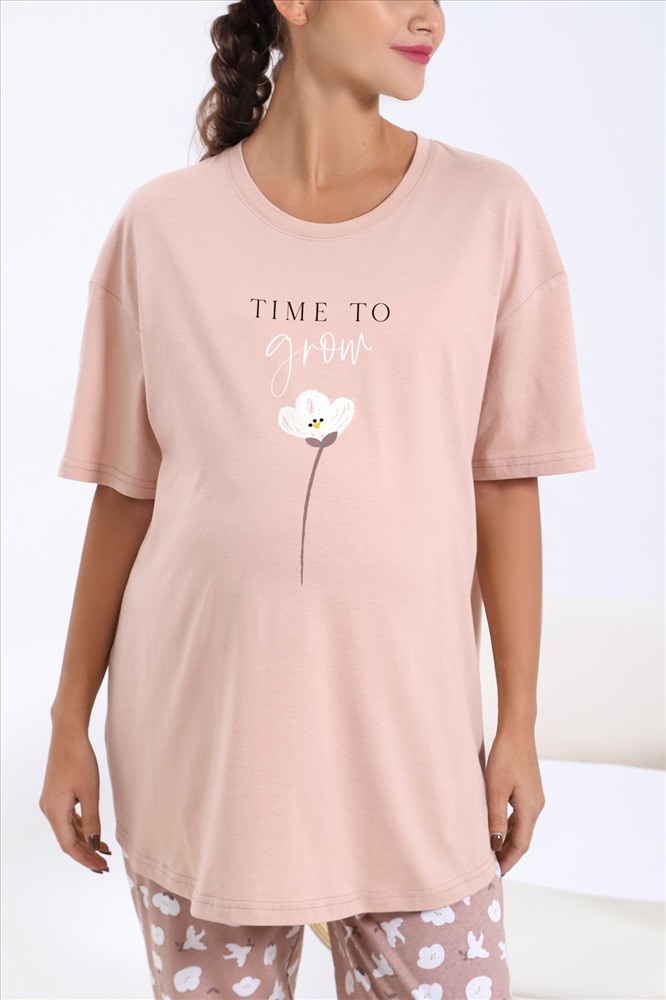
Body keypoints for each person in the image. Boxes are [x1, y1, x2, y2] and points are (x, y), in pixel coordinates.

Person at [39, 1, 596, 998]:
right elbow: (127, 497)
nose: (430, 16)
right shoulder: (161, 227)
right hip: (203, 751)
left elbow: (507, 484)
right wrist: (67, 719)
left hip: (411, 749)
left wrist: (518, 723)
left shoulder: (490, 213)